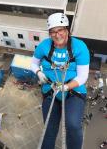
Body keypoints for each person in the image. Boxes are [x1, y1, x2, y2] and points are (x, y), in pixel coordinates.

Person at [31, 13, 90, 149]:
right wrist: (38, 72)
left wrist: (67, 87)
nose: (57, 35)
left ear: (67, 30)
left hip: (73, 91)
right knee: (48, 130)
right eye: (53, 32)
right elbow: (33, 63)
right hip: (50, 90)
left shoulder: (79, 47)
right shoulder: (44, 46)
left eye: (60, 30)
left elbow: (82, 76)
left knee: (73, 125)